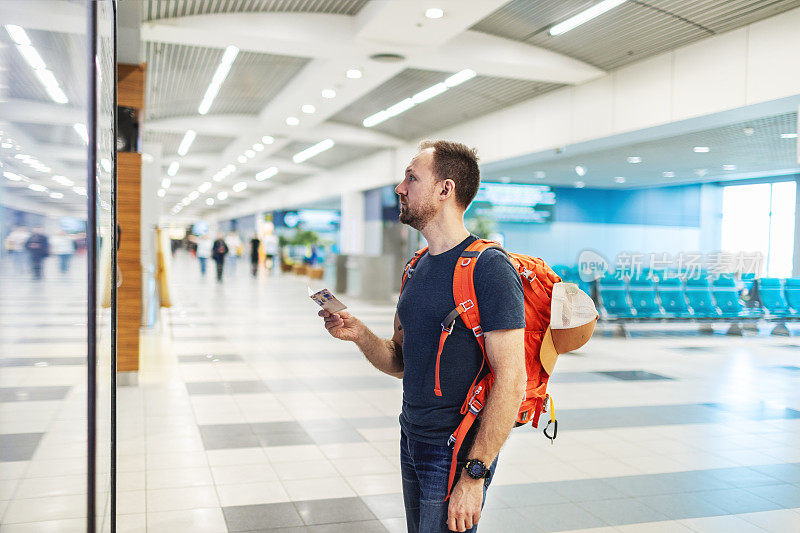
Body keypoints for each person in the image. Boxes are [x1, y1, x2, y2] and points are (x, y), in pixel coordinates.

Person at [320, 141, 594, 533]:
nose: (400, 187)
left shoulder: (489, 269)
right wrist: (360, 334)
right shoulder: (416, 268)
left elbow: (511, 379)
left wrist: (474, 475)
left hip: (457, 448)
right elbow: (400, 361)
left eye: (411, 178)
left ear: (445, 189)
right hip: (412, 436)